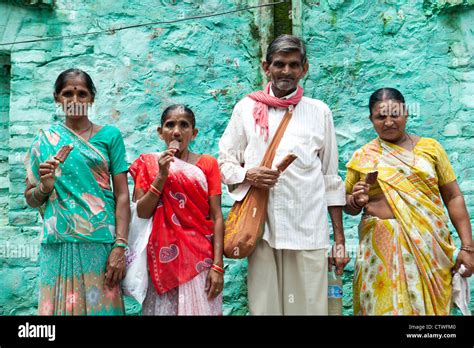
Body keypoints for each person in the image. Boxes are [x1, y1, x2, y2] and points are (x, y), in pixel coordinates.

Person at [218, 34, 349, 315]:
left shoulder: (319, 112)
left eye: (293, 65)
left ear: (305, 68)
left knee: (310, 310)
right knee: (266, 310)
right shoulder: (245, 109)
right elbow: (224, 163)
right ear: (267, 67)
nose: (286, 72)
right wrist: (248, 175)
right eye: (279, 64)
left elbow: (330, 179)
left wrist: (339, 240)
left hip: (308, 230)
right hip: (261, 231)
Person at [345, 87, 474, 315]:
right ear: (371, 119)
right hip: (379, 252)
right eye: (380, 117)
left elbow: (453, 196)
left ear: (406, 113)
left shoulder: (431, 149)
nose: (388, 122)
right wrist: (355, 200)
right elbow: (348, 204)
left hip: (428, 248)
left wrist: (468, 247)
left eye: (395, 114)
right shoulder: (363, 156)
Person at [24, 68, 130, 315]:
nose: (74, 101)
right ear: (56, 98)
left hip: (101, 243)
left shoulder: (110, 136)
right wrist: (45, 187)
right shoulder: (45, 140)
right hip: (58, 243)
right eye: (67, 94)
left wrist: (120, 246)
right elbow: (31, 198)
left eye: (81, 94)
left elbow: (122, 194)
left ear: (91, 98)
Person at [129, 104, 224, 315]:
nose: (176, 131)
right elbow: (142, 212)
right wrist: (161, 175)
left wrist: (218, 266)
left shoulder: (208, 164)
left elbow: (217, 216)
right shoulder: (149, 164)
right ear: (160, 132)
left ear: (194, 132)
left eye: (184, 125)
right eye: (170, 125)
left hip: (200, 259)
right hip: (163, 260)